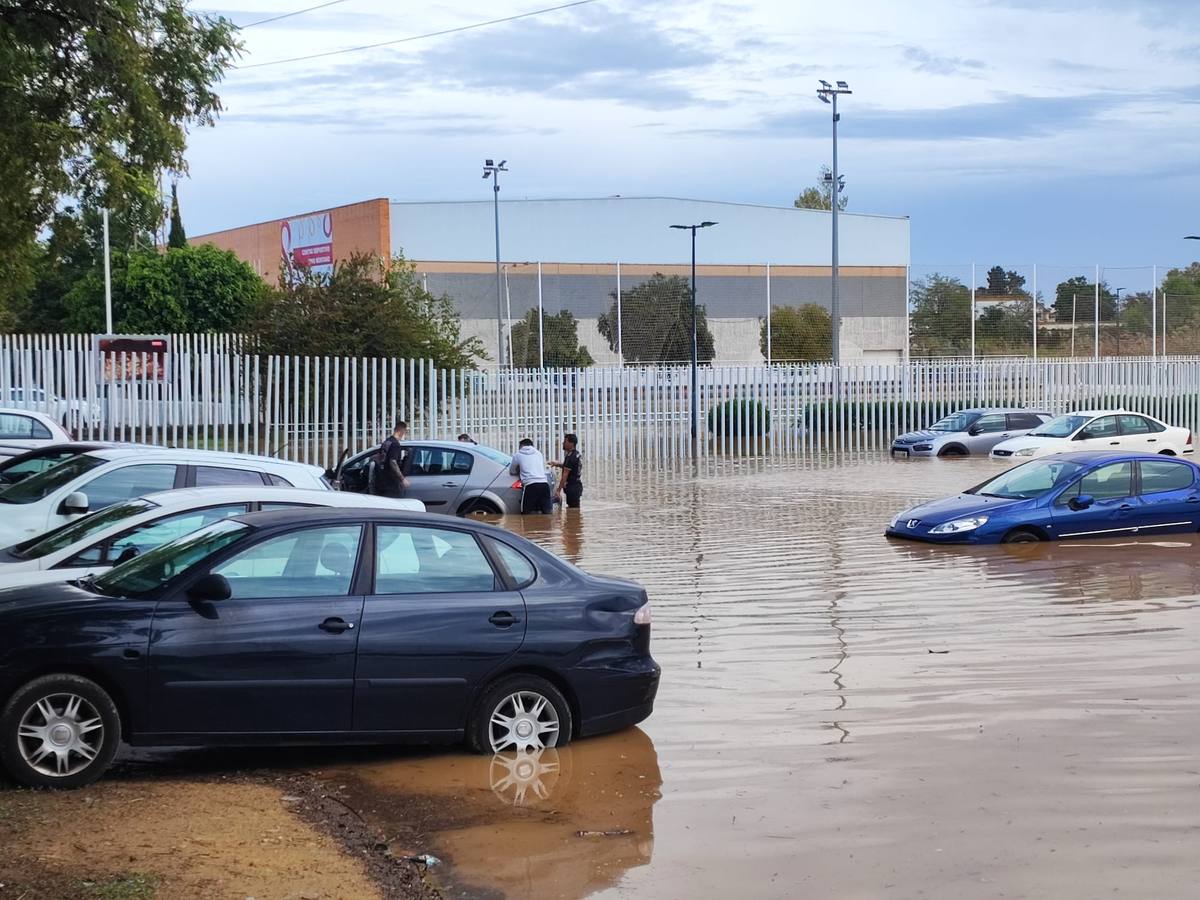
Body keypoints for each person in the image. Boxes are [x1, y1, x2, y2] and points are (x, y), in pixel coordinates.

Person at [509, 438, 552, 514]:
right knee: (547, 513)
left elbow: (512, 471)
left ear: (521, 446)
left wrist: (519, 471)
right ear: (532, 445)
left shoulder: (518, 455)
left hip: (530, 486)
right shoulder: (539, 453)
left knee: (525, 513)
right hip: (544, 485)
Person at [373, 420, 410, 498]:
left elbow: (379, 458)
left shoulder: (386, 442)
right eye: (405, 431)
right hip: (392, 482)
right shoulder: (395, 445)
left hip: (382, 480)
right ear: (401, 431)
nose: (404, 434)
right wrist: (402, 479)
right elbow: (393, 462)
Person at [550, 432, 583, 508]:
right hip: (576, 485)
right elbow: (570, 468)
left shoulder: (570, 457)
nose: (563, 443)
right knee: (574, 509)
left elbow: (565, 475)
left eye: (565, 442)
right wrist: (557, 464)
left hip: (572, 487)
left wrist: (558, 491)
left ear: (571, 443)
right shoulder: (576, 454)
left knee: (573, 509)